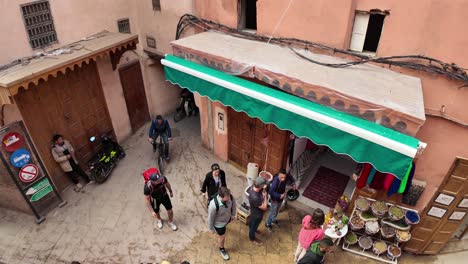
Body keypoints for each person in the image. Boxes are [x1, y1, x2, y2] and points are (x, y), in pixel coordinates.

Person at [207, 187, 236, 260]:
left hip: (227, 218)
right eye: (227, 197)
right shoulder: (213, 205)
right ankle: (222, 249)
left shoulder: (230, 197)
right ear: (221, 197)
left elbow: (234, 205)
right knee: (222, 237)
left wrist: (233, 214)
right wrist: (211, 229)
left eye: (229, 196)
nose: (229, 198)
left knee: (224, 232)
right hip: (219, 223)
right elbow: (210, 218)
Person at [247, 177, 268, 245]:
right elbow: (264, 207)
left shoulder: (255, 187)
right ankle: (252, 238)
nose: (264, 186)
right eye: (263, 185)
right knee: (252, 227)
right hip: (256, 214)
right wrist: (265, 197)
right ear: (260, 186)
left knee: (255, 225)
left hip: (256, 212)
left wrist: (263, 189)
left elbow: (263, 188)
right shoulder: (254, 197)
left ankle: (255, 230)